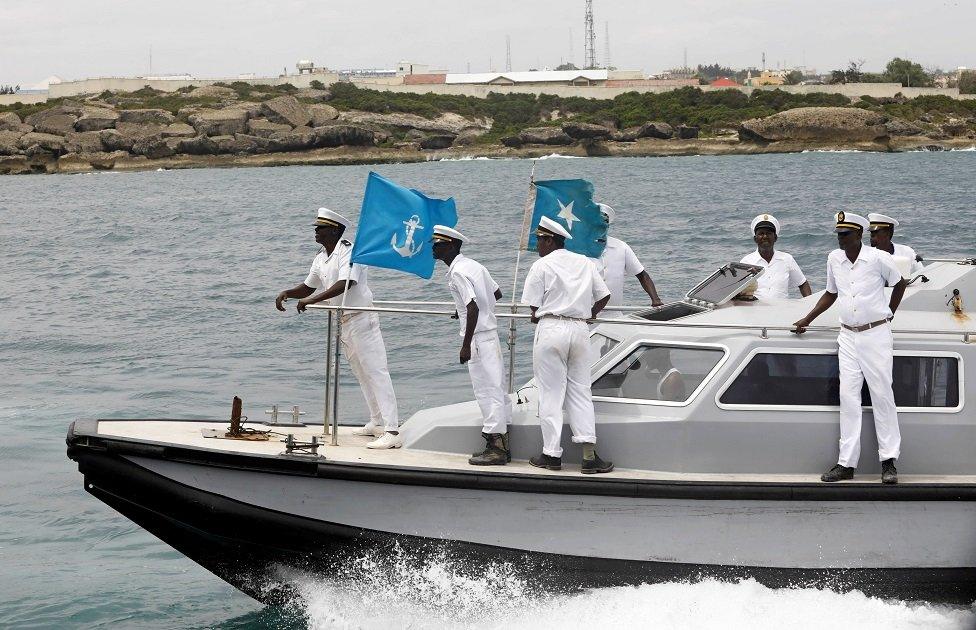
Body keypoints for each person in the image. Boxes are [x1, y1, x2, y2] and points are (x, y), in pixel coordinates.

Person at [792, 211, 908, 484]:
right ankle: (846, 463)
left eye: (845, 235)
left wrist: (889, 314)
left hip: (875, 334)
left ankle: (889, 462)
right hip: (847, 337)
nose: (840, 240)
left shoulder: (879, 258)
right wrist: (807, 319)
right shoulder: (834, 259)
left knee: (882, 395)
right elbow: (831, 293)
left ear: (858, 235)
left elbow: (899, 283)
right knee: (849, 397)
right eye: (839, 235)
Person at [275, 208, 401, 449]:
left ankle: (393, 430)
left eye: (319, 228)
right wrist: (289, 293)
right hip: (345, 321)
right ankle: (376, 421)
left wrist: (313, 301)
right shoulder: (321, 256)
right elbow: (309, 286)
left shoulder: (350, 251)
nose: (315, 231)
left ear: (334, 231)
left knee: (376, 372)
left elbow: (347, 283)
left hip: (362, 318)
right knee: (361, 373)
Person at [521, 215, 614, 474]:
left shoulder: (541, 266)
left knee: (551, 394)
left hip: (551, 328)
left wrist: (538, 313)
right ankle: (588, 455)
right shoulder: (585, 262)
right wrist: (589, 314)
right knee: (581, 391)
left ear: (550, 240)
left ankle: (551, 455)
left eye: (539, 240)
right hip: (580, 328)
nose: (537, 245)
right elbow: (604, 295)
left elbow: (533, 304)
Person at [431, 224, 512, 466]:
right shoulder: (475, 265)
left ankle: (496, 447)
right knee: (496, 388)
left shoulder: (457, 272)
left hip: (478, 338)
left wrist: (465, 344)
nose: (433, 248)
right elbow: (495, 294)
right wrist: (463, 312)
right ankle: (502, 443)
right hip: (490, 334)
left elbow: (474, 306)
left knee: (486, 391)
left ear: (451, 246)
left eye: (438, 245)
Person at [596, 204, 664, 307]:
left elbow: (642, 275)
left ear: (608, 224)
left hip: (614, 314)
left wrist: (655, 299)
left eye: (605, 221)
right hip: (584, 314)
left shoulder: (621, 247)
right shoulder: (578, 248)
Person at [740, 214, 812, 299]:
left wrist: (809, 305)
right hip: (755, 309)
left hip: (782, 309)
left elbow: (802, 284)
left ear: (775, 238)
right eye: (761, 233)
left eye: (769, 233)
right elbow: (737, 292)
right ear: (755, 239)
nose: (765, 237)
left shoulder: (787, 259)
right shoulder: (746, 262)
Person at [868, 213, 923, 278]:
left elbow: (921, 273)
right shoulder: (866, 256)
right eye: (871, 232)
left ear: (887, 233)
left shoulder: (907, 252)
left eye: (876, 232)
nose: (872, 235)